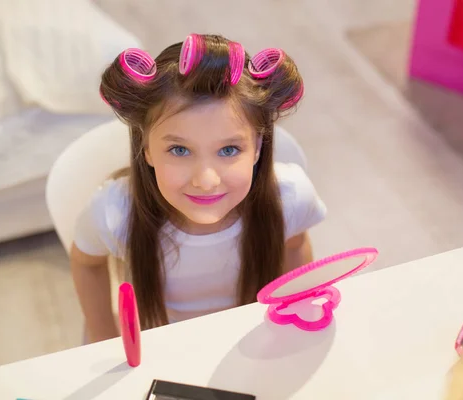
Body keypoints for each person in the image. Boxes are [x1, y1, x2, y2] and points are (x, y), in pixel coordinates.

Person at [70, 33, 327, 343]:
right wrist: (104, 337)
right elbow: (86, 263)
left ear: (257, 147)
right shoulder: (114, 212)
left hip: (255, 340)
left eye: (229, 150)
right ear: (147, 148)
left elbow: (295, 245)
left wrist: (296, 312)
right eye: (179, 150)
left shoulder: (289, 198)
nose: (206, 180)